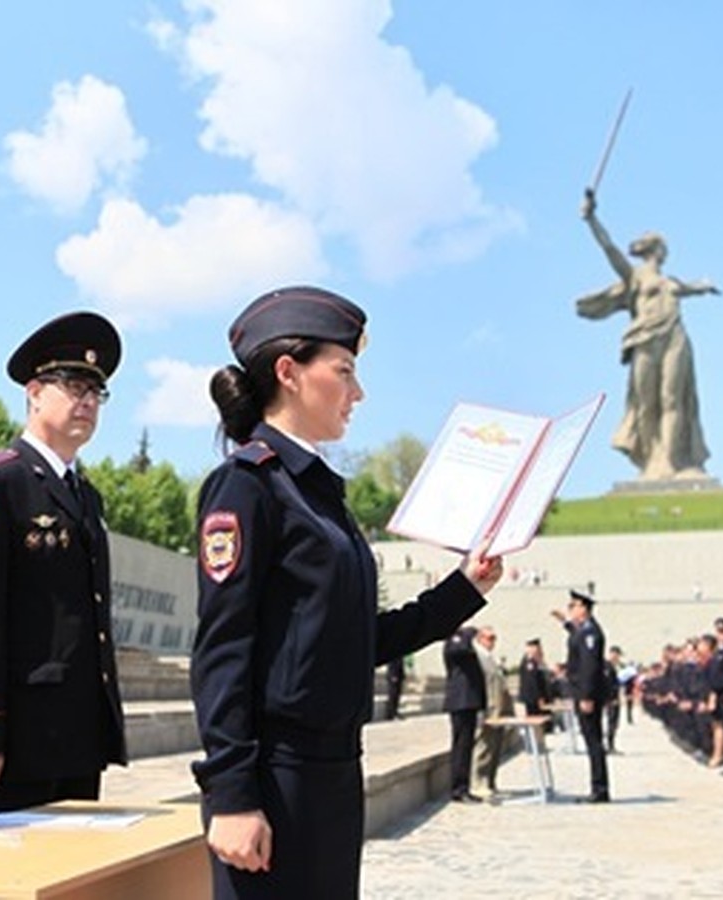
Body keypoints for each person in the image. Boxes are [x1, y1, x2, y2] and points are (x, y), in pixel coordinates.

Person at [189, 285, 504, 899]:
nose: (358, 394)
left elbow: (358, 640)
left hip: (333, 771)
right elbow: (222, 650)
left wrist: (465, 587)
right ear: (289, 372)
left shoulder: (320, 496)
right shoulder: (247, 486)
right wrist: (231, 794)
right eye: (345, 372)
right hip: (273, 776)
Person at [0, 312, 127, 815]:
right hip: (18, 739)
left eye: (97, 391)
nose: (86, 400)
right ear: (35, 391)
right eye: (73, 385)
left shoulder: (87, 495)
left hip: (77, 733)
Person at [576, 193, 720, 480]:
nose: (666, 251)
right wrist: (592, 219)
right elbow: (609, 249)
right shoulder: (636, 276)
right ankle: (651, 461)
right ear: (656, 249)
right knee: (646, 402)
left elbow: (689, 288)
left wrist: (704, 287)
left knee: (673, 399)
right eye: (663, 246)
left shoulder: (670, 282)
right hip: (644, 340)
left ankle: (670, 461)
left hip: (674, 338)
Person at [555, 589, 611, 801]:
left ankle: (600, 789)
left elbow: (589, 666)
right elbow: (576, 637)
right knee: (591, 740)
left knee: (594, 741)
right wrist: (565, 623)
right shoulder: (583, 630)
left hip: (588, 694)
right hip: (583, 692)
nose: (571, 610)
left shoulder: (591, 633)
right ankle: (598, 787)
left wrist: (586, 696)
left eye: (573, 606)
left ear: (584, 609)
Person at [443, 626, 486, 803]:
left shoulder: (462, 640)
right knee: (461, 747)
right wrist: (470, 633)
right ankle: (458, 789)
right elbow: (458, 650)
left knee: (466, 747)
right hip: (460, 702)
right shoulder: (453, 639)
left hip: (469, 702)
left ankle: (463, 786)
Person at [474, 626, 512, 796]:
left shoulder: (491, 658)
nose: (492, 642)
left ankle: (490, 780)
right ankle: (478, 782)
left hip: (499, 709)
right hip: (487, 709)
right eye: (489, 638)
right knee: (484, 748)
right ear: (480, 638)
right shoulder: (478, 657)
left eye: (494, 638)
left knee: (495, 748)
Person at [385, 655, 407, 720]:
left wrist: (403, 675)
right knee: (392, 695)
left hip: (399, 676)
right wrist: (393, 675)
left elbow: (401, 665)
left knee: (397, 695)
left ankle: (395, 711)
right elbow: (391, 665)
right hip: (393, 676)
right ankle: (390, 713)